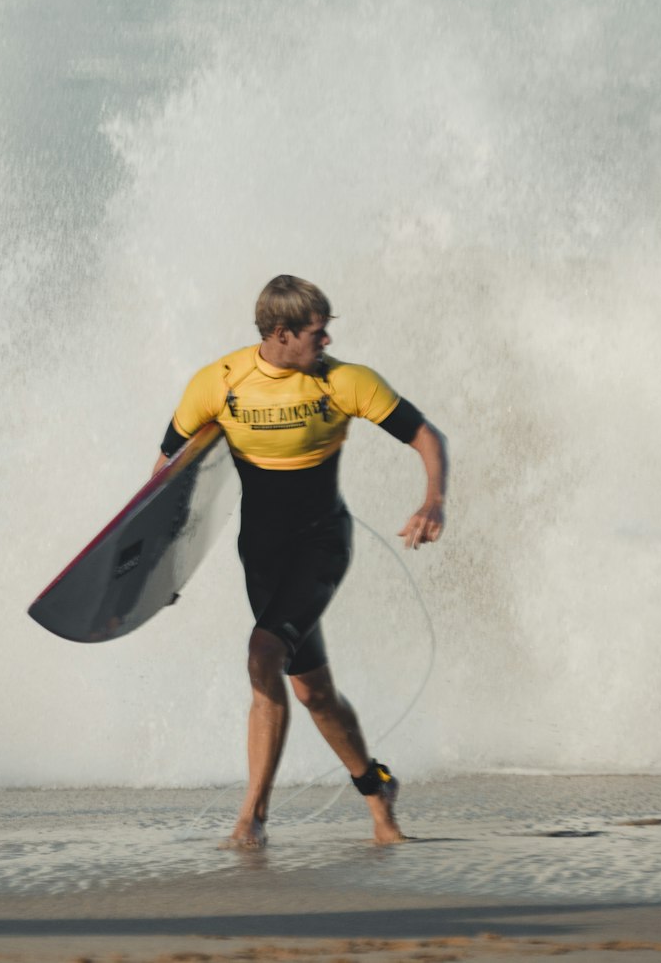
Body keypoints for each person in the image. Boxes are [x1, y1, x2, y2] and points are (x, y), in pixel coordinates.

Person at [151, 274, 448, 848]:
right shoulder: (220, 383)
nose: (327, 341)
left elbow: (424, 435)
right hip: (260, 551)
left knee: (263, 651)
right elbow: (167, 474)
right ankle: (377, 792)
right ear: (281, 333)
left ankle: (251, 819)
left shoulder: (344, 383)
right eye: (318, 332)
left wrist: (432, 500)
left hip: (322, 542)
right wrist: (155, 572)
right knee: (312, 691)